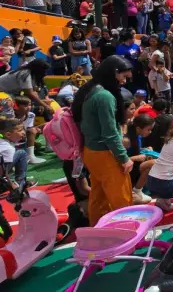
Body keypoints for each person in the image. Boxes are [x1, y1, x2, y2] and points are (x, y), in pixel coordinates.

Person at [71, 55, 135, 225]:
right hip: (105, 154)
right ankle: (127, 232)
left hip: (91, 152)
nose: (124, 81)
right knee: (121, 198)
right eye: (123, 76)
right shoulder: (105, 96)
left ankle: (97, 229)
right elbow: (110, 133)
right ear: (114, 73)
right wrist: (124, 158)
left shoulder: (91, 90)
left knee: (98, 196)